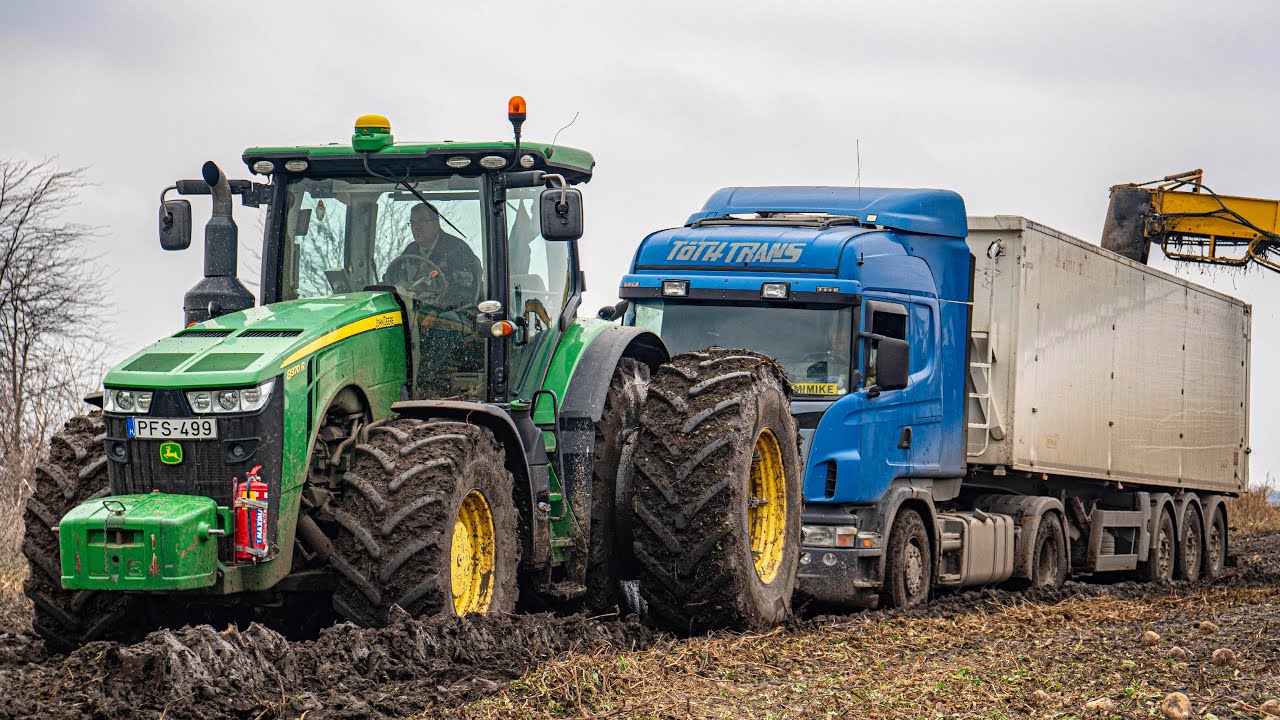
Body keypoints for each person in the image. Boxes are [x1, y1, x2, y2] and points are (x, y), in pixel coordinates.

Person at [384, 203, 483, 310]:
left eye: (422, 221)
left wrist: (435, 306)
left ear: (436, 224)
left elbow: (466, 292)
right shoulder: (411, 250)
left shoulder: (457, 249)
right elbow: (393, 278)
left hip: (450, 313)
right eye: (412, 223)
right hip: (413, 311)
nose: (415, 228)